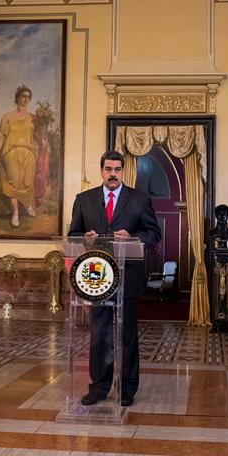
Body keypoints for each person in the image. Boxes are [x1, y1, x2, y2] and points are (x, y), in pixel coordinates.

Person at [68, 150, 161, 407]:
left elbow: (154, 234)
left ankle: (127, 389)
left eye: (117, 169)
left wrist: (133, 239)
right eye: (108, 169)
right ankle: (98, 387)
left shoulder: (139, 200)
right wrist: (83, 238)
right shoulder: (84, 200)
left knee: (127, 335)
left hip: (127, 278)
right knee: (99, 334)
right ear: (101, 171)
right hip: (96, 278)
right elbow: (73, 233)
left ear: (123, 172)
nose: (112, 174)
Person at [0, 85, 38, 228]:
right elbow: (1, 136)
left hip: (28, 153)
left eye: (28, 97)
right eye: (23, 96)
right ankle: (15, 212)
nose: (25, 99)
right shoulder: (7, 117)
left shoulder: (33, 118)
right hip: (10, 152)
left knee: (27, 181)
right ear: (17, 98)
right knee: (13, 181)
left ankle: (27, 204)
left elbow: (37, 136)